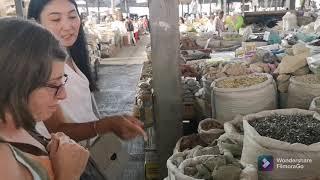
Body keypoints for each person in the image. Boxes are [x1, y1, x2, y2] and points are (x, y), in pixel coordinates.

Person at [27, 0, 146, 144]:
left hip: (88, 150)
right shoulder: (38, 68)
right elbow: (56, 130)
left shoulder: (69, 54)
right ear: (35, 22)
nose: (68, 26)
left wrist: (110, 123)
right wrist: (106, 125)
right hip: (66, 157)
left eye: (72, 16)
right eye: (56, 19)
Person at [0, 17, 89, 180]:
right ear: (14, 83)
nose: (63, 94)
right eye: (54, 85)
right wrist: (68, 175)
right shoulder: (4, 163)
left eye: (63, 81)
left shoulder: (23, 122)